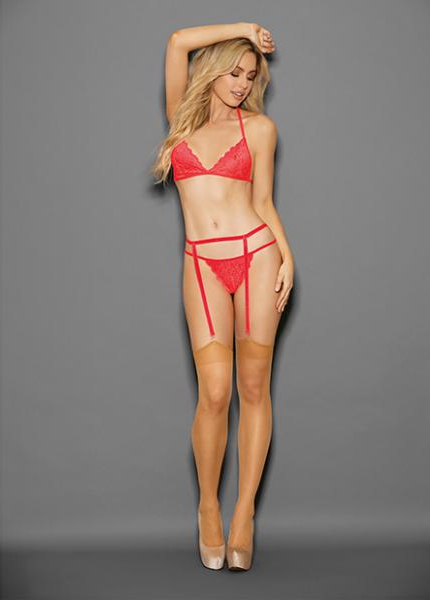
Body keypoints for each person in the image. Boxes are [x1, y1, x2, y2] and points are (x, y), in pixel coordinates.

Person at [151, 22, 294, 571]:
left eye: (250, 76)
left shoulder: (259, 129)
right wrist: (244, 31)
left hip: (257, 255)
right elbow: (176, 43)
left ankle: (244, 512)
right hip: (202, 264)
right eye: (233, 72)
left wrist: (288, 257)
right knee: (214, 392)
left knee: (253, 387)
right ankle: (208, 506)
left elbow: (263, 202)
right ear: (211, 72)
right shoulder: (180, 121)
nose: (241, 84)